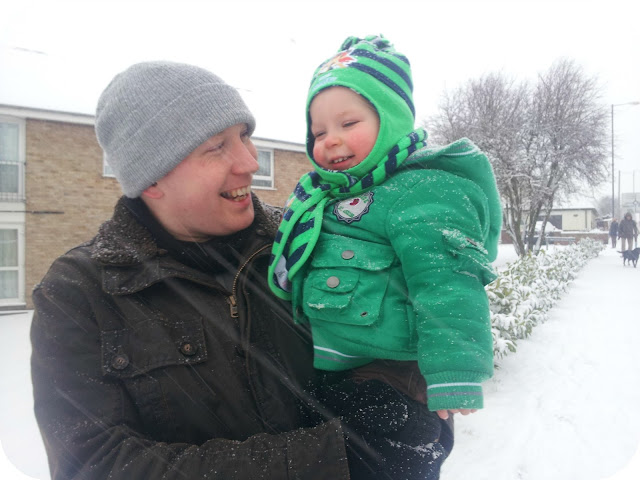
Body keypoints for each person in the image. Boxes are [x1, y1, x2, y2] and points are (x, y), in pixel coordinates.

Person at [30, 61, 431, 480]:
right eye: (216, 146)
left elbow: (409, 349)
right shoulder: (80, 293)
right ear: (152, 179)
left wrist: (408, 413)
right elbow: (96, 465)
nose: (249, 162)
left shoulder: (309, 241)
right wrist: (332, 458)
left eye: (244, 136)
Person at [268, 35, 502, 478]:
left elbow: (447, 283)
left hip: (393, 373)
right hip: (342, 370)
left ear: (391, 119)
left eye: (348, 122)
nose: (330, 141)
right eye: (319, 132)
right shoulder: (325, 200)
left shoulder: (422, 192)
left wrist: (454, 374)